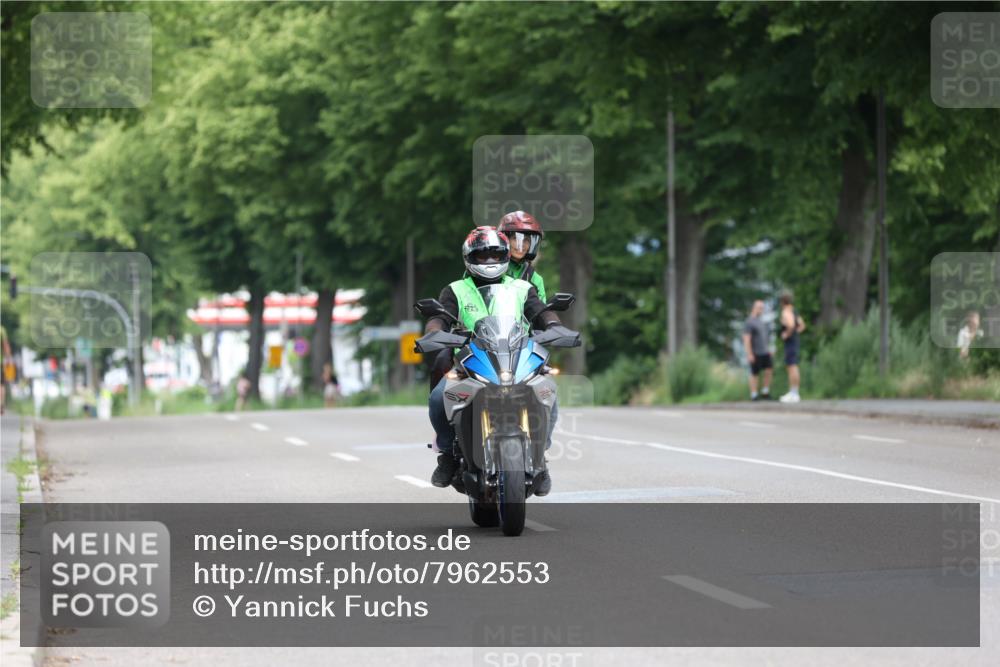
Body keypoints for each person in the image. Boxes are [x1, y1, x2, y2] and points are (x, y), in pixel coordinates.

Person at [425, 226, 562, 494]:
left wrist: (556, 326)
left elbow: (541, 313)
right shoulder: (455, 290)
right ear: (469, 258)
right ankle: (449, 456)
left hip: (515, 358)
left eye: (495, 255)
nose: (489, 262)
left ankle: (540, 457)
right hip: (469, 363)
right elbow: (440, 317)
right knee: (438, 397)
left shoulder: (522, 288)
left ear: (505, 257)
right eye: (482, 256)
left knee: (549, 393)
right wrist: (434, 332)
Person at [498, 210, 547, 302]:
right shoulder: (492, 268)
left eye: (527, 240)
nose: (522, 245)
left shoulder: (535, 279)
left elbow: (542, 311)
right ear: (504, 239)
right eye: (516, 238)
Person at [778, 291, 806, 403]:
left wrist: (786, 335)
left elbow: (791, 325)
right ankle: (795, 392)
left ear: (782, 301)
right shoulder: (794, 310)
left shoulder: (785, 311)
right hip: (795, 341)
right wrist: (795, 333)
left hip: (790, 342)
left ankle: (793, 393)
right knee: (794, 366)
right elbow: (802, 326)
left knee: (791, 366)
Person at [742, 300, 773, 401]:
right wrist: (749, 353)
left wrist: (769, 349)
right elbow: (746, 339)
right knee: (754, 373)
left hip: (765, 351)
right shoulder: (749, 322)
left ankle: (765, 392)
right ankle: (754, 394)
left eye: (762, 308)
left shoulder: (761, 321)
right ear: (754, 308)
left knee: (769, 370)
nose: (762, 310)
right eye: (760, 307)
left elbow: (765, 338)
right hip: (755, 352)